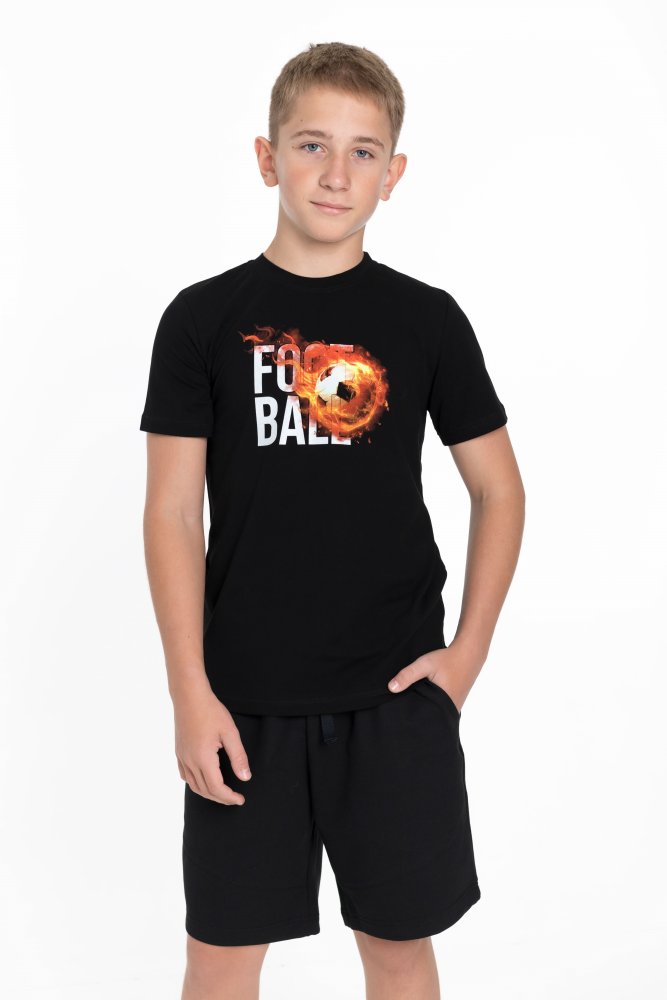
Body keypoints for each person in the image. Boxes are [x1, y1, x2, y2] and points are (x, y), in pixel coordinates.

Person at [139, 40, 525, 1000]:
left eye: (363, 152)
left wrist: (465, 657)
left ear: (393, 174)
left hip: (395, 703)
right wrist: (190, 692)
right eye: (312, 145)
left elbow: (499, 490)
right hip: (242, 704)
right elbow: (173, 512)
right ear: (267, 157)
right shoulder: (200, 320)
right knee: (219, 959)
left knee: (396, 952)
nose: (335, 173)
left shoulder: (427, 320)